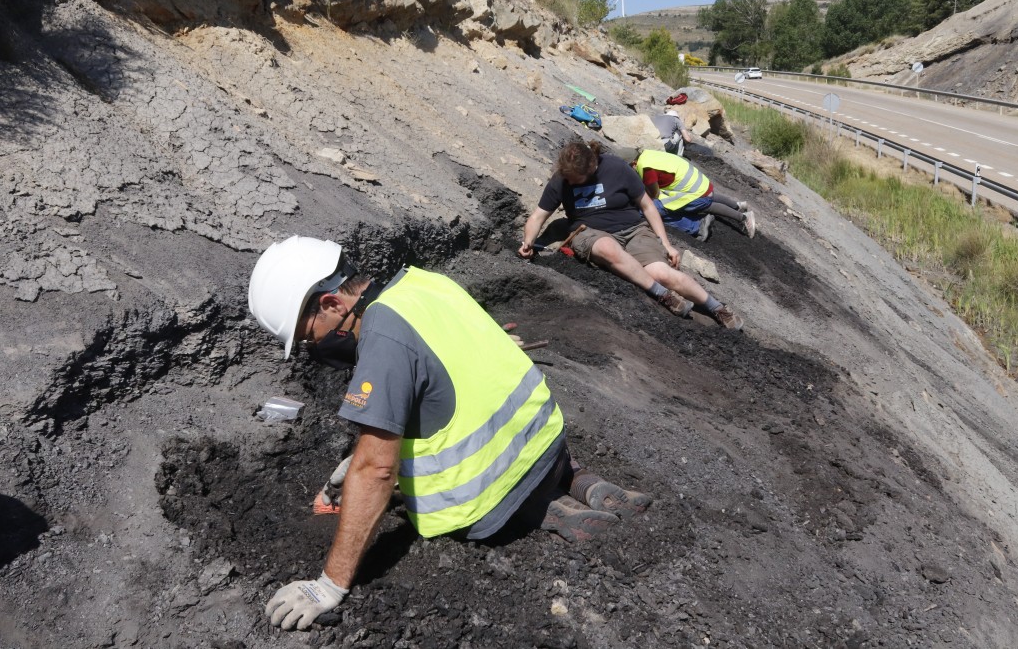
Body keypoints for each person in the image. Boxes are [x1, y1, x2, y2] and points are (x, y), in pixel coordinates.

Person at [248, 236, 651, 631]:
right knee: (526, 462)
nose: (312, 347)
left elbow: (377, 472)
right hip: (546, 440)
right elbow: (446, 383)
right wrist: (358, 458)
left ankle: (548, 513)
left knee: (427, 500)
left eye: (308, 335)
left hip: (493, 496)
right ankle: (578, 479)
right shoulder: (423, 284)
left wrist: (328, 585)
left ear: (332, 304)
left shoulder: (381, 339)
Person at [518, 139, 744, 330]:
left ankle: (717, 308)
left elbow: (647, 206)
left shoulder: (616, 167)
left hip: (634, 230)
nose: (570, 182)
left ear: (593, 166)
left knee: (662, 272)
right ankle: (663, 295)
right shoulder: (562, 179)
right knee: (607, 248)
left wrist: (666, 244)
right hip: (589, 232)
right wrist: (528, 241)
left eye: (577, 179)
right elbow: (538, 216)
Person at [614, 147, 756, 242]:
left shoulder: (646, 168)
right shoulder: (647, 155)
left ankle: (742, 218)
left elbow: (654, 194)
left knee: (655, 209)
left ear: (633, 163)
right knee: (708, 196)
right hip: (698, 182)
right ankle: (737, 205)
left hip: (695, 191)